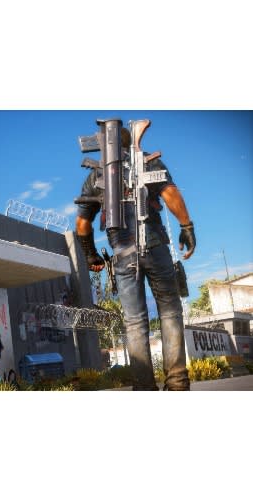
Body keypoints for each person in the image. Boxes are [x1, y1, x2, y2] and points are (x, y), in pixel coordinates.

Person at [76, 125, 196, 390]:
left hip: (122, 256)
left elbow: (82, 224)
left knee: (134, 323)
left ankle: (144, 388)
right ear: (130, 141)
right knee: (170, 312)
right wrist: (187, 227)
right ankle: (177, 384)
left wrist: (90, 254)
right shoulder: (148, 162)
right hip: (155, 247)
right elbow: (171, 195)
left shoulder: (96, 175)